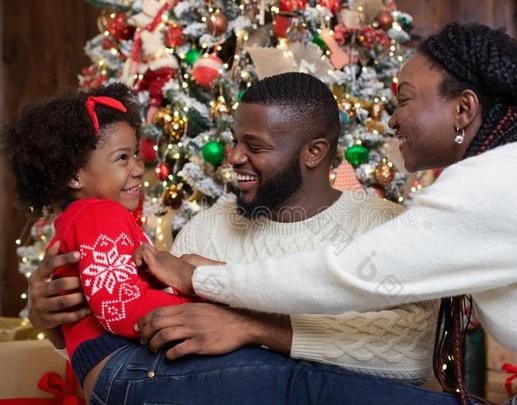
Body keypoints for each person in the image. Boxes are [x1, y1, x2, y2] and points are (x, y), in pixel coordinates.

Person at [138, 24, 517, 405]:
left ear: (463, 109)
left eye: (404, 99)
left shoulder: (502, 183)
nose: (391, 118)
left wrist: (206, 281)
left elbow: (349, 274)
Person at [27, 74, 462, 404]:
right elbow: (145, 352)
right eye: (235, 141)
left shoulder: (383, 226)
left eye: (254, 145)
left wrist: (248, 326)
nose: (234, 158)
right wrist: (52, 324)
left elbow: (409, 352)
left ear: (313, 153)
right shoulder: (208, 230)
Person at [5, 83, 202, 402]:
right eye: (122, 158)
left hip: (106, 364)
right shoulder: (98, 215)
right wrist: (204, 306)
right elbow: (121, 307)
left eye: (137, 154)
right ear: (74, 176)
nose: (139, 169)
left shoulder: (84, 217)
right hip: (121, 361)